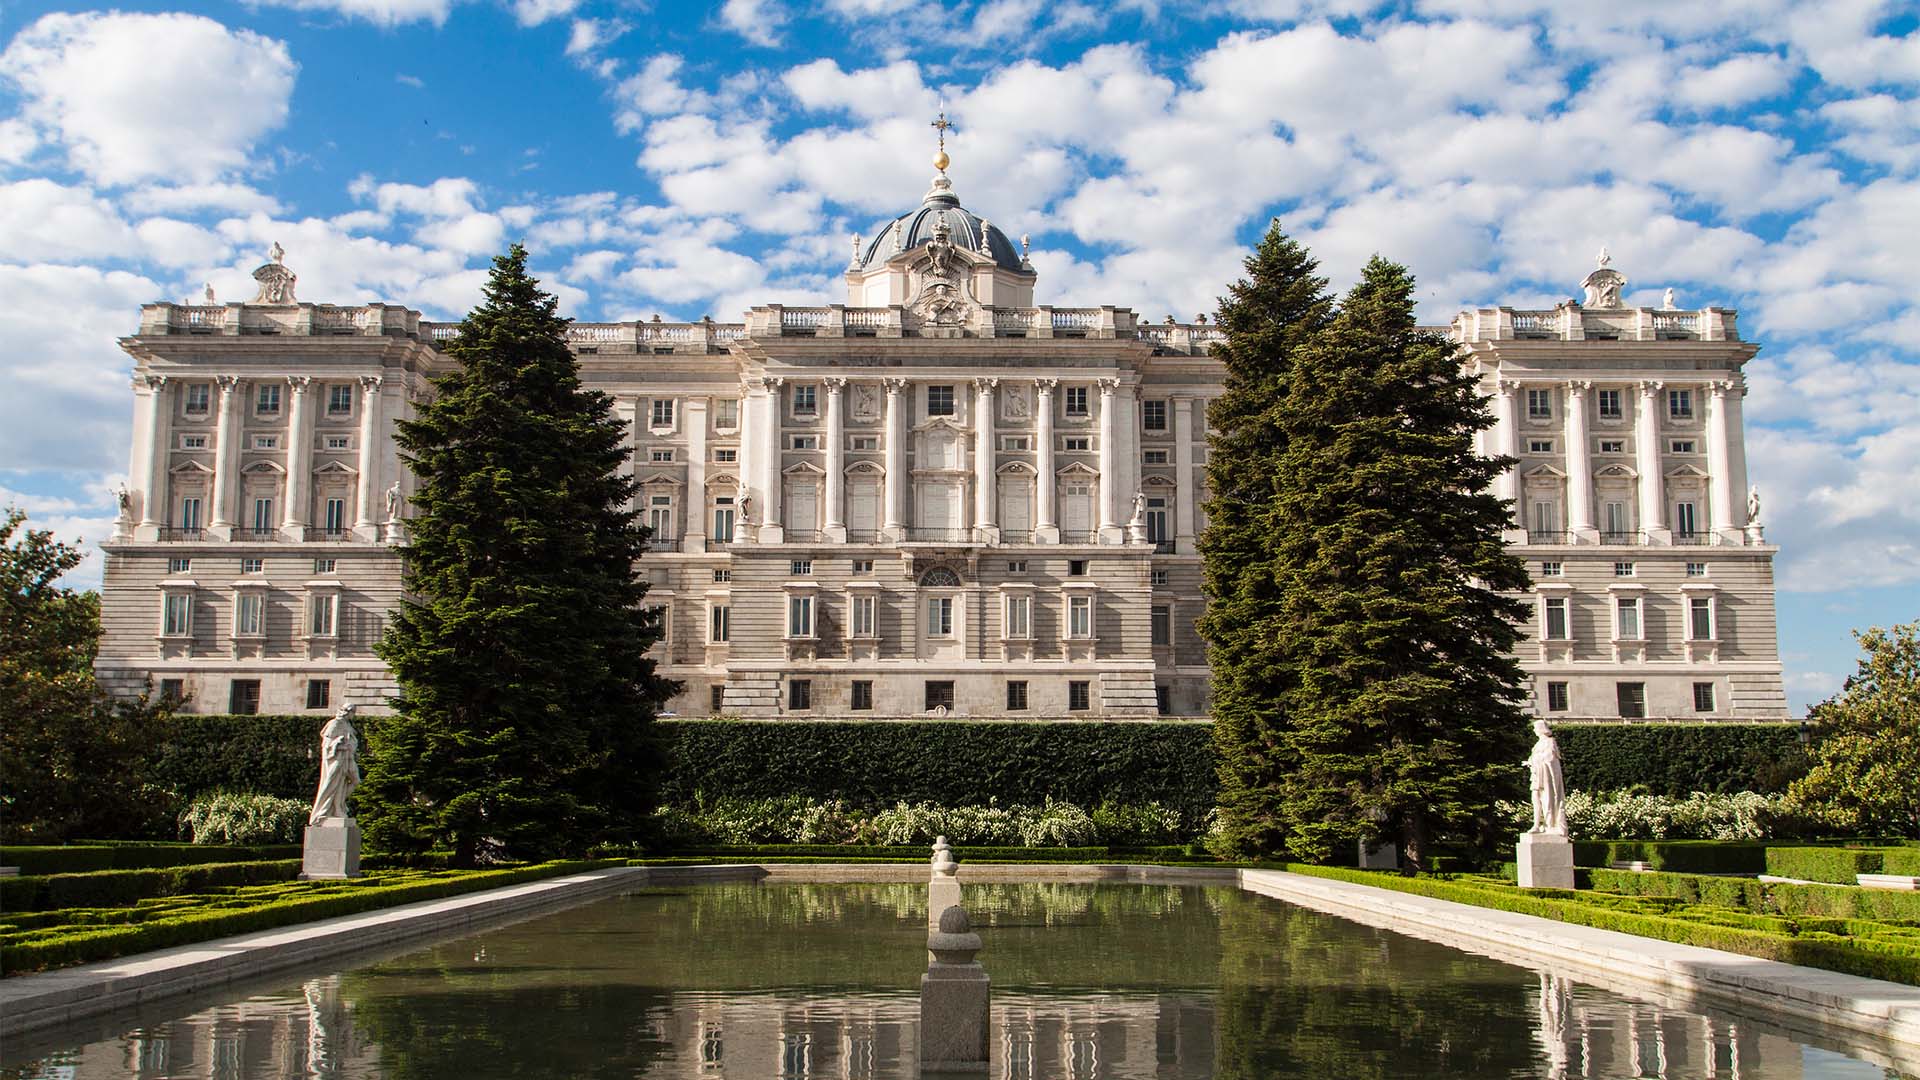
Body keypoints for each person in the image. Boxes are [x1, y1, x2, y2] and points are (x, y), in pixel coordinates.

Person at [309, 704, 360, 824]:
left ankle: (340, 805)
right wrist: (338, 744)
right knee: (333, 785)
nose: (354, 715)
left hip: (348, 758)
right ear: (348, 712)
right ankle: (332, 809)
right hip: (337, 759)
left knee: (354, 781)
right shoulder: (335, 723)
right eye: (353, 712)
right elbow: (326, 743)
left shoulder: (347, 725)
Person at [1527, 718, 1566, 834]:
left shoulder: (1550, 742)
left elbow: (1549, 758)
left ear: (1540, 729)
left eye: (1535, 728)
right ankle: (1536, 824)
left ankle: (1548, 824)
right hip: (1537, 774)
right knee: (1535, 798)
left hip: (1546, 776)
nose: (1534, 730)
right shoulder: (1538, 744)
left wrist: (1534, 760)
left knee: (1547, 799)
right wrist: (1530, 761)